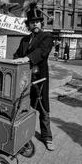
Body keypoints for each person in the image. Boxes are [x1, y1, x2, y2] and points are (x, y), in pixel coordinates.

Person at [13, 8, 55, 151]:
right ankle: (23, 135)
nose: (35, 24)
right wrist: (15, 60)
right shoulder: (24, 39)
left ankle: (47, 136)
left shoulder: (46, 37)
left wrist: (27, 58)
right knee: (23, 107)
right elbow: (17, 54)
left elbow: (42, 52)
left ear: (41, 24)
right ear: (28, 25)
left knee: (43, 108)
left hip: (40, 79)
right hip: (24, 80)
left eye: (38, 22)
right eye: (32, 22)